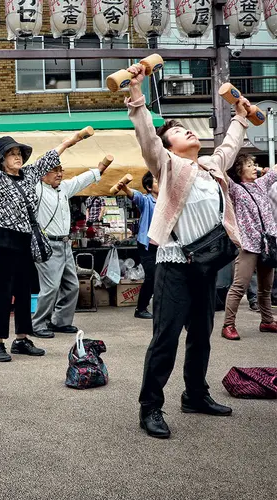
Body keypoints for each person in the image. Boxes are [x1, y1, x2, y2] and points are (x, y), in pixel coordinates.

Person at [126, 63, 248, 438]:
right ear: (170, 147)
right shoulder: (166, 165)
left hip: (207, 263)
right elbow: (148, 137)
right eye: (178, 131)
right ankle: (150, 407)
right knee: (166, 336)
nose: (186, 131)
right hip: (175, 264)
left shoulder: (211, 167)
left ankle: (195, 394)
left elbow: (229, 146)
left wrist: (242, 118)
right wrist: (136, 94)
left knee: (201, 334)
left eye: (186, 128)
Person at [0, 135, 77, 362]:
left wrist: (73, 140)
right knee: (2, 291)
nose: (18, 157)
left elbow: (48, 158)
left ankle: (21, 339)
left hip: (26, 239)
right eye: (12, 154)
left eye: (19, 153)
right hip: (2, 238)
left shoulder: (29, 175)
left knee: (23, 290)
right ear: (2, 159)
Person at [32, 157, 109, 338]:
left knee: (72, 285)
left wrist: (100, 168)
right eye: (54, 170)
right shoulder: (36, 189)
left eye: (61, 169)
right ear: (43, 174)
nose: (59, 173)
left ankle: (61, 321)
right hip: (48, 244)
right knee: (50, 287)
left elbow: (79, 180)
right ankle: (39, 324)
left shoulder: (63, 188)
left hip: (65, 244)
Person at [221, 154, 277, 340]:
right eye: (249, 165)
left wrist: (268, 171)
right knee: (239, 285)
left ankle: (267, 321)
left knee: (266, 287)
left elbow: (275, 171)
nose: (255, 167)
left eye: (255, 164)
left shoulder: (261, 184)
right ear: (239, 170)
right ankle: (228, 325)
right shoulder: (235, 189)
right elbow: (219, 171)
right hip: (248, 244)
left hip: (268, 244)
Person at [115, 171, 158, 320]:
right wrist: (125, 188)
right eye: (156, 181)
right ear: (149, 187)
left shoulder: (167, 200)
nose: (160, 182)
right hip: (147, 246)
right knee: (152, 276)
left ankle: (162, 306)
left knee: (164, 277)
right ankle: (140, 308)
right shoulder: (146, 200)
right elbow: (135, 196)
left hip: (164, 245)